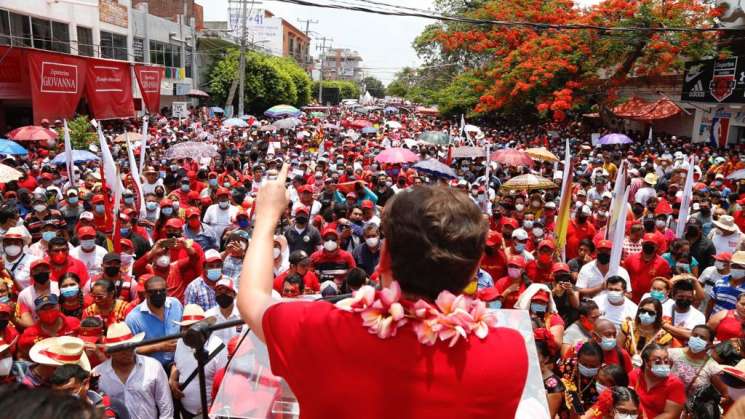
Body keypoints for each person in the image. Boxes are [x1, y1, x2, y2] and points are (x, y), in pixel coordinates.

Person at [238, 178, 530, 418]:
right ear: (474, 271)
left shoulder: (320, 330)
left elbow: (252, 298)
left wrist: (266, 218)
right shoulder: (509, 353)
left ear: (384, 257)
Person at [94, 322, 174, 419]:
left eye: (130, 346)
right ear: (110, 351)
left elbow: (166, 406)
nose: (127, 351)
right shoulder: (98, 374)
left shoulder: (153, 367)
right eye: (120, 348)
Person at [170, 304, 228, 418]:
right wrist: (172, 379)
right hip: (185, 411)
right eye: (184, 327)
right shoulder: (181, 343)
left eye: (191, 327)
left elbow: (224, 384)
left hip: (210, 413)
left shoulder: (218, 347)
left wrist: (214, 407)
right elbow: (177, 364)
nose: (187, 332)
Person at [124, 275, 183, 367]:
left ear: (167, 291)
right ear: (145, 294)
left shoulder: (175, 304)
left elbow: (183, 328)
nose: (158, 294)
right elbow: (129, 350)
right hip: (149, 369)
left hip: (177, 364)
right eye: (153, 292)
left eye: (162, 290)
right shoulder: (133, 318)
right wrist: (158, 347)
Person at [628, 343, 686, 418]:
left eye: (666, 361)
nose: (663, 365)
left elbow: (670, 414)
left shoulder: (675, 384)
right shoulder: (634, 375)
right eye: (658, 362)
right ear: (645, 362)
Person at [669, 325, 725, 398]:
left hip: (691, 408)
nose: (697, 339)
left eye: (702, 338)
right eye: (695, 335)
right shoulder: (672, 354)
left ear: (710, 343)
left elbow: (725, 393)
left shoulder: (713, 367)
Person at [18, 295, 81, 359]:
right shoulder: (29, 333)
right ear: (37, 312)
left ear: (59, 307)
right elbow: (22, 353)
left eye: (52, 307)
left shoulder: (73, 322)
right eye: (43, 309)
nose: (48, 311)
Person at [619, 297, 675, 366]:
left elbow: (664, 361)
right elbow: (618, 350)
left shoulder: (664, 337)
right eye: (643, 311)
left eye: (651, 313)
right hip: (625, 366)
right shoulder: (627, 326)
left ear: (658, 315)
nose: (646, 314)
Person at [49, 364, 116, 418]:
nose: (64, 396)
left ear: (86, 384)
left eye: (70, 390)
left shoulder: (105, 403)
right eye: (58, 392)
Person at [558, 341, 604, 417]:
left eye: (593, 366)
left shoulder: (604, 376)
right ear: (578, 359)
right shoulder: (567, 365)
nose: (588, 368)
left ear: (601, 364)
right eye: (584, 364)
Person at [622, 233, 672, 303]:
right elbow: (622, 277)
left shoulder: (663, 264)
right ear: (642, 244)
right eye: (646, 244)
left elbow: (665, 283)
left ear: (657, 246)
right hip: (631, 299)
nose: (649, 246)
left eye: (652, 245)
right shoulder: (630, 259)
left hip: (651, 301)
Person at [16, 259, 59, 328]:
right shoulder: (23, 295)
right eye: (37, 271)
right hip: (37, 332)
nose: (41, 272)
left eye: (44, 269)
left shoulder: (59, 287)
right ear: (31, 275)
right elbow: (21, 316)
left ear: (50, 272)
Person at [205, 278, 243, 344]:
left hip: (240, 354)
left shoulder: (244, 315)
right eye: (219, 291)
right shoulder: (208, 316)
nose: (223, 294)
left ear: (234, 294)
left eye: (227, 291)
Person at [707, 251, 745, 316]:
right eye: (734, 266)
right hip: (713, 323)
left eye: (740, 267)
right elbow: (710, 304)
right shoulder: (719, 282)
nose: (736, 269)